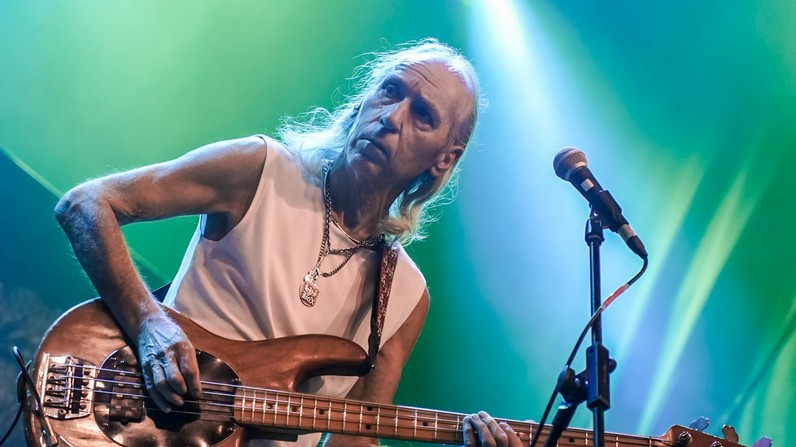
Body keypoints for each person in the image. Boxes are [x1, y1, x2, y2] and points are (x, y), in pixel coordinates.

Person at [55, 38, 518, 447]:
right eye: (391, 90)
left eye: (423, 115)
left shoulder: (406, 297)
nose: (393, 116)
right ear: (365, 98)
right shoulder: (261, 170)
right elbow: (86, 204)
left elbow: (352, 440)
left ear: (444, 158)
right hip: (138, 420)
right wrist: (150, 324)